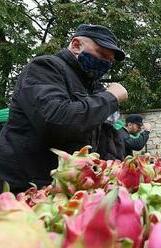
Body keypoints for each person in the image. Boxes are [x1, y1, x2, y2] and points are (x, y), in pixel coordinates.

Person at [0, 24, 128, 193]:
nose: (105, 63)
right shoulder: (45, 67)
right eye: (102, 54)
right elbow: (56, 120)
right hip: (27, 186)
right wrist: (111, 97)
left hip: (66, 187)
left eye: (109, 61)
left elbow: (102, 137)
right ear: (76, 45)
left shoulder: (92, 87)